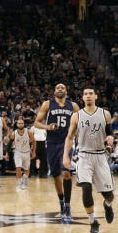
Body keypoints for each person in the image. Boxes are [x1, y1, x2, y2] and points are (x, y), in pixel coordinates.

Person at [63, 88, 115, 233]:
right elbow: (69, 137)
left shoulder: (105, 114)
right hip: (84, 156)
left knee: (109, 194)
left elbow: (110, 132)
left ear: (96, 96)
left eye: (91, 93)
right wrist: (65, 156)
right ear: (83, 98)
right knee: (86, 188)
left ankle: (108, 205)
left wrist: (111, 138)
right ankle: (93, 222)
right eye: (85, 94)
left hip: (100, 156)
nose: (88, 96)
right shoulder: (76, 116)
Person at [34, 83, 80, 223]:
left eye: (62, 88)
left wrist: (78, 137)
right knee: (56, 176)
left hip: (66, 142)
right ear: (54, 92)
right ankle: (61, 201)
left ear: (66, 91)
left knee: (66, 172)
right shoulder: (48, 104)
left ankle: (67, 205)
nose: (60, 89)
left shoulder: (74, 106)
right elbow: (37, 123)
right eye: (57, 88)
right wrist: (47, 126)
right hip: (52, 143)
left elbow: (81, 123)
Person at [12, 117, 35, 190]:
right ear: (17, 124)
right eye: (19, 123)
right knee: (18, 167)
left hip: (27, 152)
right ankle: (20, 183)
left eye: (22, 123)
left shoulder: (28, 132)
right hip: (18, 152)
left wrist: (33, 151)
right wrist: (6, 153)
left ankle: (25, 179)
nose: (20, 124)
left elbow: (34, 141)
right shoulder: (14, 133)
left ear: (24, 124)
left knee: (26, 169)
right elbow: (9, 143)